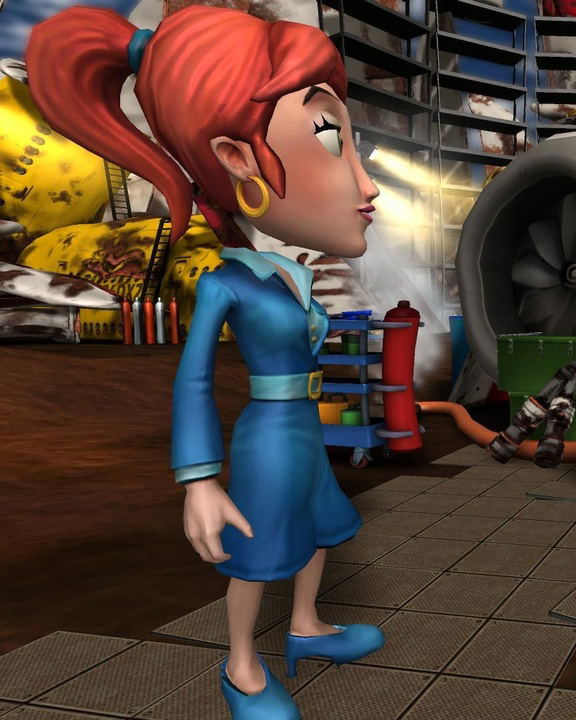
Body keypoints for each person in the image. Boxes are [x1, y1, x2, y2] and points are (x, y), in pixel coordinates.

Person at [28, 7, 383, 718]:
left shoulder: (292, 272)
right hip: (268, 435)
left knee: (319, 526)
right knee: (256, 550)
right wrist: (198, 479)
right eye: (329, 137)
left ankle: (306, 626)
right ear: (236, 158)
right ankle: (242, 667)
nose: (366, 184)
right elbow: (191, 380)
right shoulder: (227, 281)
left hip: (304, 427)